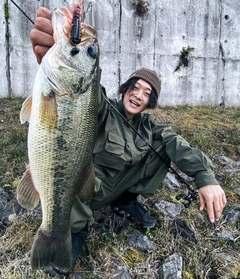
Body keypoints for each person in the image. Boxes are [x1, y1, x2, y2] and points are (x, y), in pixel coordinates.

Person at [30, 7, 227, 276]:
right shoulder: (99, 106)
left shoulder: (148, 127)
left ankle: (125, 201)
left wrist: (206, 177)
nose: (138, 95)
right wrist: (61, 50)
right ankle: (71, 230)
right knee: (69, 180)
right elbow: (85, 87)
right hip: (85, 192)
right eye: (134, 87)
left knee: (162, 147)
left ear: (150, 102)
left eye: (146, 93)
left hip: (113, 189)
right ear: (125, 88)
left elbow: (176, 142)